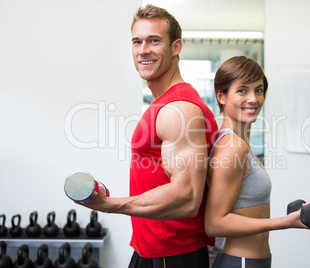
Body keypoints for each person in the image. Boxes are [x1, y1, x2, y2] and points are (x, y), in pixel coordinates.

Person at [76, 4, 218, 268]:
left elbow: (187, 197)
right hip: (153, 249)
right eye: (137, 42)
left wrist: (109, 205)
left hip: (172, 253)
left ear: (176, 47)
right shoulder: (163, 104)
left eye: (154, 41)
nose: (143, 50)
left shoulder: (179, 110)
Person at [205, 56, 308, 268]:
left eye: (259, 90)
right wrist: (286, 222)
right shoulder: (233, 146)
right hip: (241, 262)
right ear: (221, 96)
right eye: (242, 90)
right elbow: (215, 224)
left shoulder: (239, 142)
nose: (253, 98)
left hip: (251, 261)